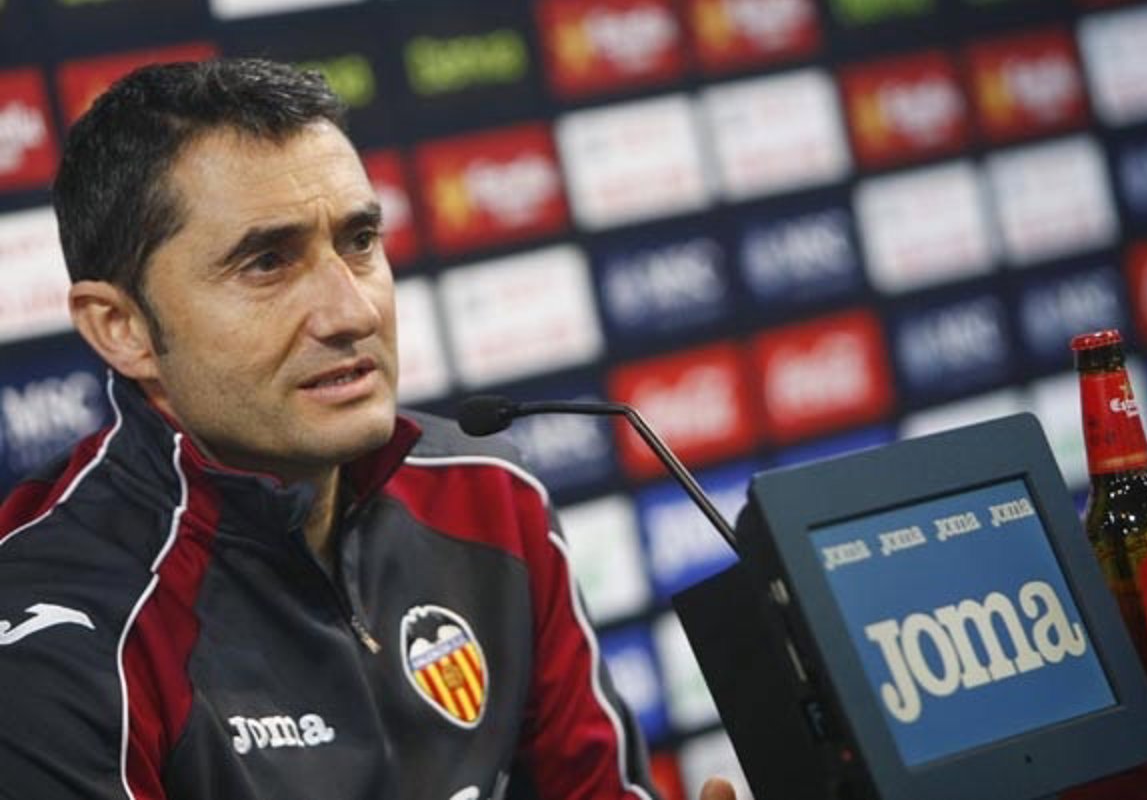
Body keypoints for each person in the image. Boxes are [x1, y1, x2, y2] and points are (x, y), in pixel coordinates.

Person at [0, 59, 737, 800]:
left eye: (359, 241)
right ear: (121, 327)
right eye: (267, 263)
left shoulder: (488, 497)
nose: (351, 312)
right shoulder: (61, 640)